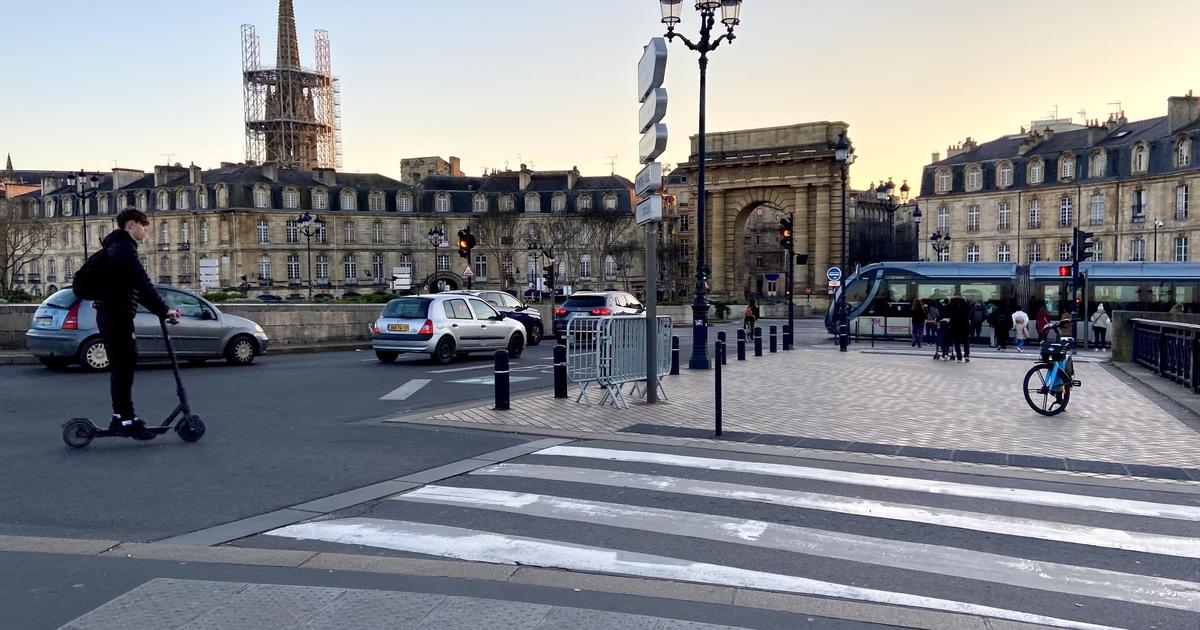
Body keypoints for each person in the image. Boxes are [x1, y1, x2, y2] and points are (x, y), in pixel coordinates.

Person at [96, 209, 180, 434]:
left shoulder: (118, 247)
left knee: (124, 365)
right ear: (131, 225)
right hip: (116, 316)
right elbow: (143, 285)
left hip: (113, 315)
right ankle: (126, 421)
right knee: (124, 366)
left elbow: (138, 289)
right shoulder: (124, 250)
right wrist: (165, 310)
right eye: (144, 225)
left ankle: (121, 417)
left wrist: (162, 311)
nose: (146, 230)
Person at [948, 294, 972, 362]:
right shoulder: (966, 305)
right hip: (965, 326)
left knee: (956, 342)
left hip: (955, 326)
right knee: (966, 342)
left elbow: (946, 313)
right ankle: (967, 356)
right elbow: (968, 315)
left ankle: (959, 357)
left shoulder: (951, 305)